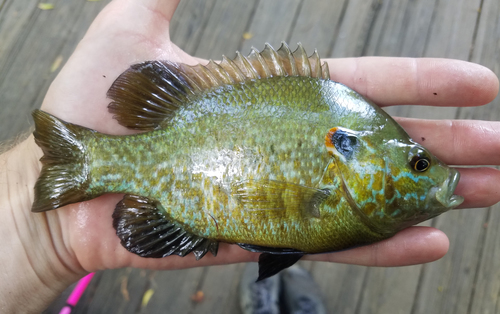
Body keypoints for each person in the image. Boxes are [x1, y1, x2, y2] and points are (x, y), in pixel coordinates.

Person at [0, 0, 498, 312]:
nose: (431, 174)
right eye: (417, 163)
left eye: (418, 164)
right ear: (349, 152)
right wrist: (28, 233)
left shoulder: (352, 127)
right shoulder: (345, 132)